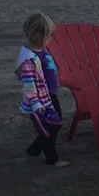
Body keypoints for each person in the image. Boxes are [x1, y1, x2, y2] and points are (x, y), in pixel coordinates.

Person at [15, 12, 70, 168]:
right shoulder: (28, 59)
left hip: (50, 94)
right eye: (48, 37)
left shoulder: (40, 48)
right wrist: (35, 104)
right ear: (38, 36)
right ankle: (51, 159)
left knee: (55, 124)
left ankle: (33, 150)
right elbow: (28, 84)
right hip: (41, 99)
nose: (50, 40)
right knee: (52, 126)